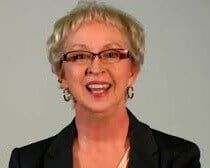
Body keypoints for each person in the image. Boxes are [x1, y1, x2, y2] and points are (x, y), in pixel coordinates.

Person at [9, 1, 200, 168]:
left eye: (111, 54)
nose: (96, 67)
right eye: (79, 56)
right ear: (62, 74)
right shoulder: (27, 162)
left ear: (132, 71)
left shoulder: (179, 158)